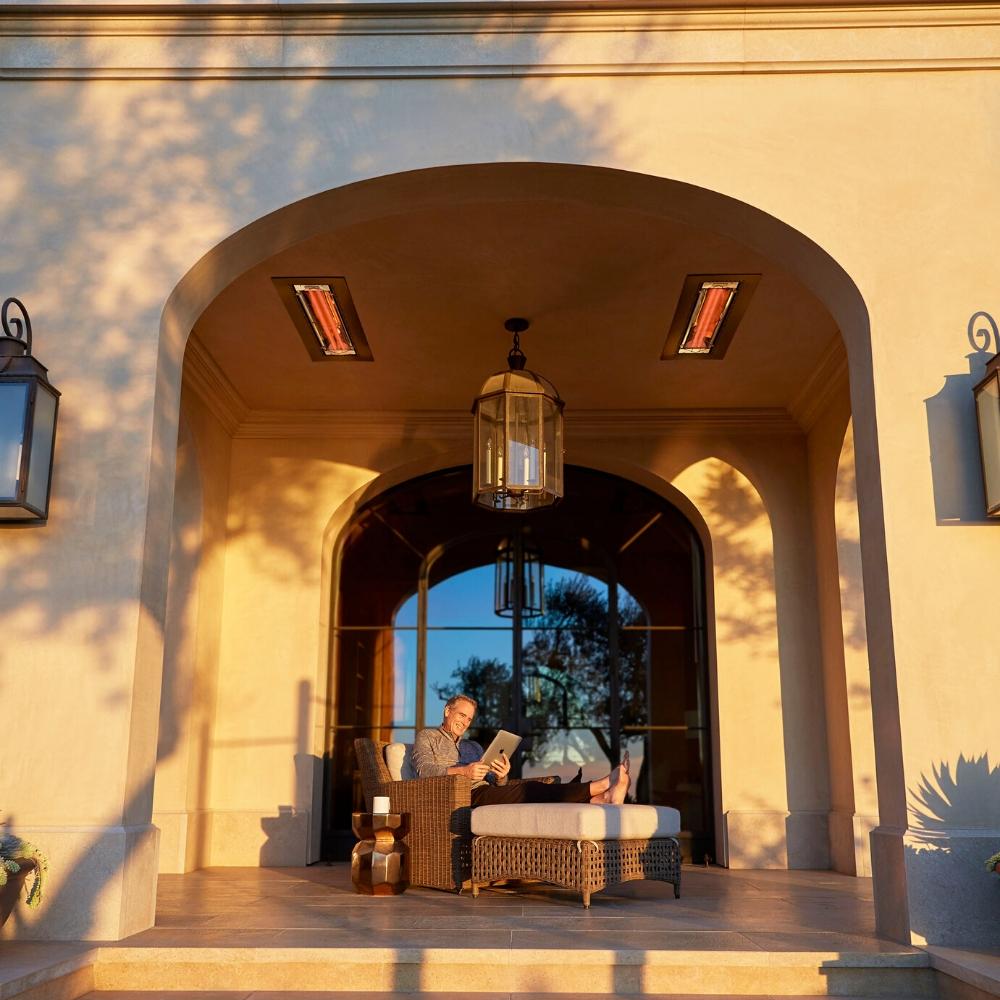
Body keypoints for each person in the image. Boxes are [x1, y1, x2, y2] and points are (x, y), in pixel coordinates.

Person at [411, 693, 629, 807]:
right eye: (461, 715)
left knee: (536, 790)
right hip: (460, 796)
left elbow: (496, 783)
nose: (465, 722)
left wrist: (502, 775)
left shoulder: (473, 746)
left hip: (487, 792)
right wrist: (464, 772)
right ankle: (601, 786)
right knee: (531, 789)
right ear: (447, 711)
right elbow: (424, 771)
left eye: (469, 718)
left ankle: (599, 800)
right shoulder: (427, 736)